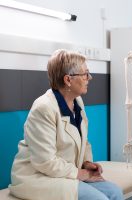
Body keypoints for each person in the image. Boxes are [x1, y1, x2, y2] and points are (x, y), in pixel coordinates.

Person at [9, 49, 123, 200]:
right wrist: (79, 173)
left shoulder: (77, 102)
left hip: (64, 173)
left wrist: (86, 163)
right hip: (39, 177)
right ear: (68, 80)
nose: (89, 78)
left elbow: (84, 142)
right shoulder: (43, 108)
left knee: (115, 192)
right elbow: (45, 162)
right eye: (85, 74)